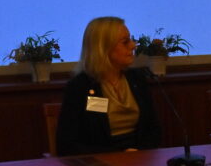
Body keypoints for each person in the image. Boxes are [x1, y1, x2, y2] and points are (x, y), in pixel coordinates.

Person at [57, 16, 162, 156]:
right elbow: (67, 145)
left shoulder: (137, 79)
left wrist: (138, 153)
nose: (133, 45)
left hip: (139, 158)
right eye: (125, 42)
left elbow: (153, 130)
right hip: (101, 161)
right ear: (103, 48)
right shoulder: (80, 86)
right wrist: (119, 155)